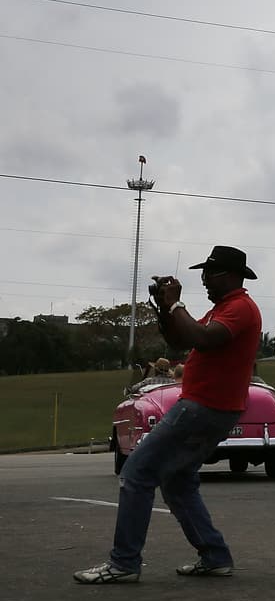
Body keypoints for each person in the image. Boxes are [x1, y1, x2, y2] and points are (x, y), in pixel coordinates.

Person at [74, 245, 262, 584]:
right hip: (212, 408)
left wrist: (176, 303)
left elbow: (203, 340)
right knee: (178, 483)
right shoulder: (222, 308)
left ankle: (124, 563)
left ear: (231, 276)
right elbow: (180, 340)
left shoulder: (240, 308)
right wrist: (164, 310)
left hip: (203, 408)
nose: (203, 280)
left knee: (136, 473)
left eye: (209, 273)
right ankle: (214, 556)